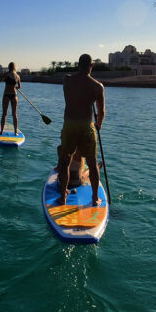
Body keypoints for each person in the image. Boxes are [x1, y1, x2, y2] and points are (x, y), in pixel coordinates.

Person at [55, 53, 105, 206]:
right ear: (91, 66)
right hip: (86, 126)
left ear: (78, 65)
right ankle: (95, 198)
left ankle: (63, 197)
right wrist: (99, 124)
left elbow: (69, 81)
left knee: (64, 162)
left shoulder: (67, 80)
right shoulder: (97, 86)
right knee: (92, 163)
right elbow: (101, 112)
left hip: (69, 125)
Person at [0, 62, 21, 135]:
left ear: (9, 67)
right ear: (15, 67)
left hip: (6, 95)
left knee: (4, 114)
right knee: (14, 114)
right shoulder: (17, 76)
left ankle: (1, 131)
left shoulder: (6, 74)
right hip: (14, 95)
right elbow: (19, 87)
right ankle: (15, 132)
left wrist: (1, 76)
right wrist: (15, 87)